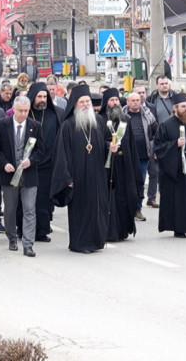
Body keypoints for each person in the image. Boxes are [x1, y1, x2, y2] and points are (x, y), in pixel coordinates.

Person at [51, 84, 113, 253]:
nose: (86, 105)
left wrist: (111, 147)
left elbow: (106, 143)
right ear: (75, 104)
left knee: (97, 208)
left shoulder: (99, 122)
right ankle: (80, 243)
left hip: (97, 174)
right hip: (78, 177)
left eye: (88, 102)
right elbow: (61, 155)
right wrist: (66, 178)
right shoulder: (68, 126)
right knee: (81, 210)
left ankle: (96, 241)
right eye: (82, 102)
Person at [0, 96, 44, 257]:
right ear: (13, 109)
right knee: (10, 209)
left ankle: (28, 244)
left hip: (28, 176)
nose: (23, 114)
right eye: (20, 110)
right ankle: (12, 237)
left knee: (29, 210)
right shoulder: (2, 125)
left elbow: (41, 151)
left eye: (26, 111)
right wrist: (4, 163)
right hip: (9, 176)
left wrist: (31, 161)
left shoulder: (35, 126)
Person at [153, 93, 186, 238]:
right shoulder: (166, 125)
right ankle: (179, 228)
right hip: (175, 170)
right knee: (179, 199)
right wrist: (174, 145)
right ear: (175, 108)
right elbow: (158, 147)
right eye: (183, 106)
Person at [100, 88, 143, 241]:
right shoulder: (100, 120)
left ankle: (123, 230)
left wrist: (134, 167)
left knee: (125, 197)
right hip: (107, 166)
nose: (115, 103)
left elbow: (131, 144)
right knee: (110, 199)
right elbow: (99, 143)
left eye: (116, 100)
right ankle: (110, 232)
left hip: (124, 164)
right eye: (111, 100)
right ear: (106, 102)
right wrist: (107, 146)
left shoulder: (125, 120)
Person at [25, 82, 63, 242]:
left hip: (48, 165)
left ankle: (41, 230)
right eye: (39, 97)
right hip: (28, 164)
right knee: (26, 202)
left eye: (45, 97)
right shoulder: (25, 113)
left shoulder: (55, 114)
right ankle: (24, 230)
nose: (42, 100)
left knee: (43, 200)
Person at [125, 89, 158, 221]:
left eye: (137, 100)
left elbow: (156, 133)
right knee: (128, 182)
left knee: (140, 182)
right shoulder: (122, 114)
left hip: (143, 155)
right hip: (127, 155)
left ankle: (137, 209)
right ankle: (127, 209)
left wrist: (154, 149)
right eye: (132, 100)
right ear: (127, 102)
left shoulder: (148, 115)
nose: (135, 103)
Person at [146, 75, 177, 208]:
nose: (164, 85)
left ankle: (169, 194)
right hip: (156, 137)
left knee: (172, 167)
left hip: (173, 136)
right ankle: (151, 197)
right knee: (154, 170)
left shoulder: (175, 98)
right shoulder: (152, 100)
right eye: (162, 84)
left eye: (166, 83)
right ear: (157, 85)